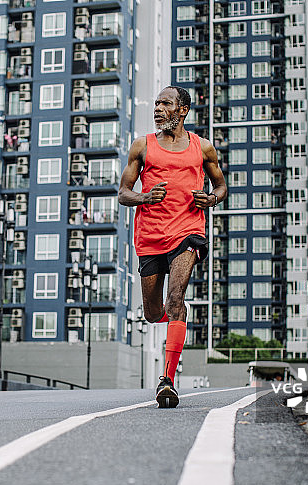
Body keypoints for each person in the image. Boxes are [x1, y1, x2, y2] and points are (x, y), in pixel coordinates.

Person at [118, 86, 227, 408]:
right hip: (150, 235)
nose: (158, 109)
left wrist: (212, 199)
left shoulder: (203, 148)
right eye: (156, 104)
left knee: (176, 298)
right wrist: (143, 197)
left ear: (182, 111)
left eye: (165, 104)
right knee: (154, 313)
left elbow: (221, 186)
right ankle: (175, 319)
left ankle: (167, 379)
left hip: (188, 229)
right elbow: (123, 192)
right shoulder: (142, 146)